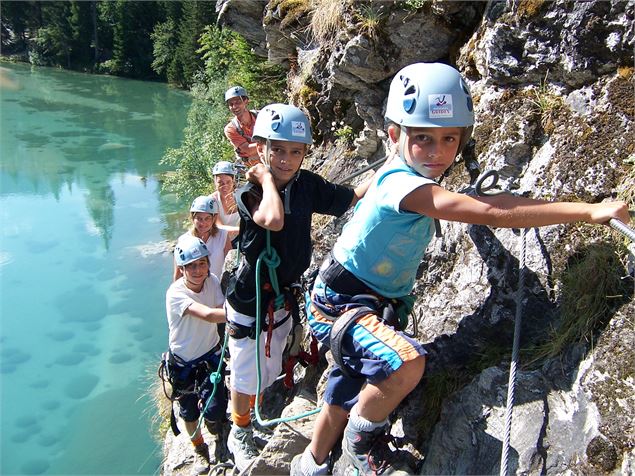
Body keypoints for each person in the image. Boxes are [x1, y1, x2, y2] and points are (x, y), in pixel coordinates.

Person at [291, 62, 631, 476]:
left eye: (449, 138)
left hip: (354, 296)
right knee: (405, 363)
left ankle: (310, 463)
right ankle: (363, 444)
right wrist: (590, 211)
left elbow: (466, 202)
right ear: (396, 136)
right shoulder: (405, 186)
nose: (436, 153)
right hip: (343, 304)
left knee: (344, 388)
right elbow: (490, 212)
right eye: (423, 139)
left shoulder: (398, 171)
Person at [224, 103, 375, 472]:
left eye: (296, 151)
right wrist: (263, 179)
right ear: (261, 149)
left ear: (305, 153)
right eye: (277, 150)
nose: (286, 160)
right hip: (250, 299)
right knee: (245, 372)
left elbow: (350, 196)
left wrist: (395, 170)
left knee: (269, 363)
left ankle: (251, 417)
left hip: (283, 295)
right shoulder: (250, 194)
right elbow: (273, 220)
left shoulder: (306, 185)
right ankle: (238, 431)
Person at [165, 236, 229, 472]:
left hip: (210, 355)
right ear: (181, 269)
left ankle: (215, 421)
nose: (198, 269)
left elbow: (220, 307)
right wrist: (245, 316)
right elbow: (208, 315)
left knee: (216, 408)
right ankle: (198, 444)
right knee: (189, 410)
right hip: (184, 362)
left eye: (202, 263)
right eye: (191, 265)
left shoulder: (211, 281)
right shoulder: (175, 294)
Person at [173, 195, 231, 283]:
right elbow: (178, 275)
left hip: (218, 289)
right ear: (193, 218)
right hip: (195, 291)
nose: (203, 223)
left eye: (207, 218)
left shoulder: (223, 236)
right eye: (199, 218)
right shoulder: (183, 241)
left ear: (214, 218)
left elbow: (229, 265)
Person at [223, 86, 260, 167]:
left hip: (269, 155)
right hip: (253, 164)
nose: (234, 107)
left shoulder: (261, 116)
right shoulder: (231, 128)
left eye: (238, 102)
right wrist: (272, 143)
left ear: (246, 101)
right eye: (231, 104)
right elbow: (248, 150)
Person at [211, 160, 240, 230]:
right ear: (215, 182)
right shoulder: (212, 201)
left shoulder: (241, 196)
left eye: (228, 182)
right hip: (222, 239)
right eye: (220, 182)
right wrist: (241, 230)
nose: (225, 186)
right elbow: (218, 226)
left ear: (233, 181)